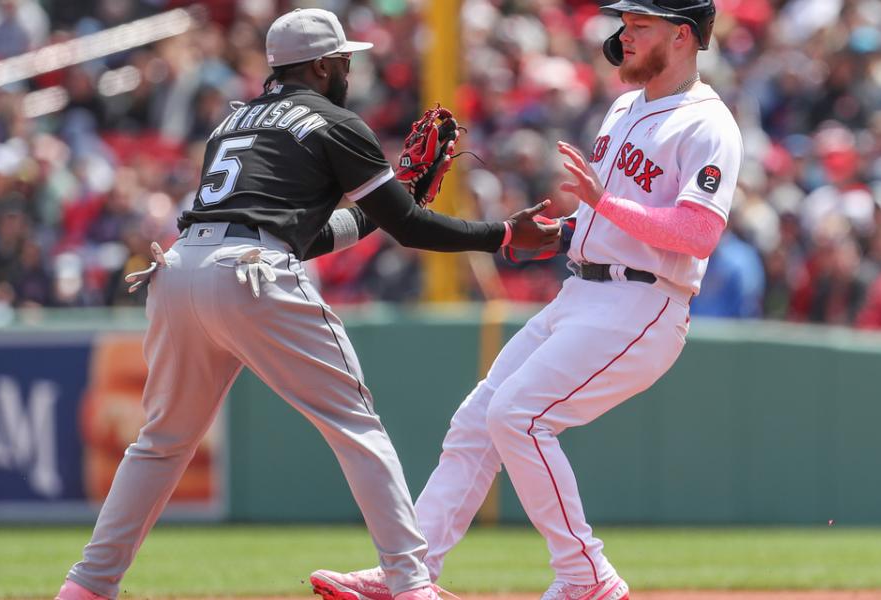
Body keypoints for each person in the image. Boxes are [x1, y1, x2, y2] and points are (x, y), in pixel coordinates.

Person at [55, 8, 558, 600]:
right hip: (250, 275)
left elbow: (303, 232)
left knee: (161, 443)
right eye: (343, 59)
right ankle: (411, 585)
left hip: (180, 269)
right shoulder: (334, 120)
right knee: (356, 427)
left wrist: (387, 208)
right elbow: (411, 229)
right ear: (321, 64)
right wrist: (501, 234)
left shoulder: (234, 120)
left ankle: (87, 587)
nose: (349, 68)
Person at [309, 1, 741, 599]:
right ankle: (408, 573)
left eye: (641, 25)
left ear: (684, 36)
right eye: (627, 24)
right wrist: (558, 234)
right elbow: (611, 222)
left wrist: (604, 206)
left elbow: (699, 233)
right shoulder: (624, 107)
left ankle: (587, 576)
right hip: (583, 289)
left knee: (520, 418)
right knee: (476, 421)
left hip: (644, 303)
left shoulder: (708, 123)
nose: (626, 35)